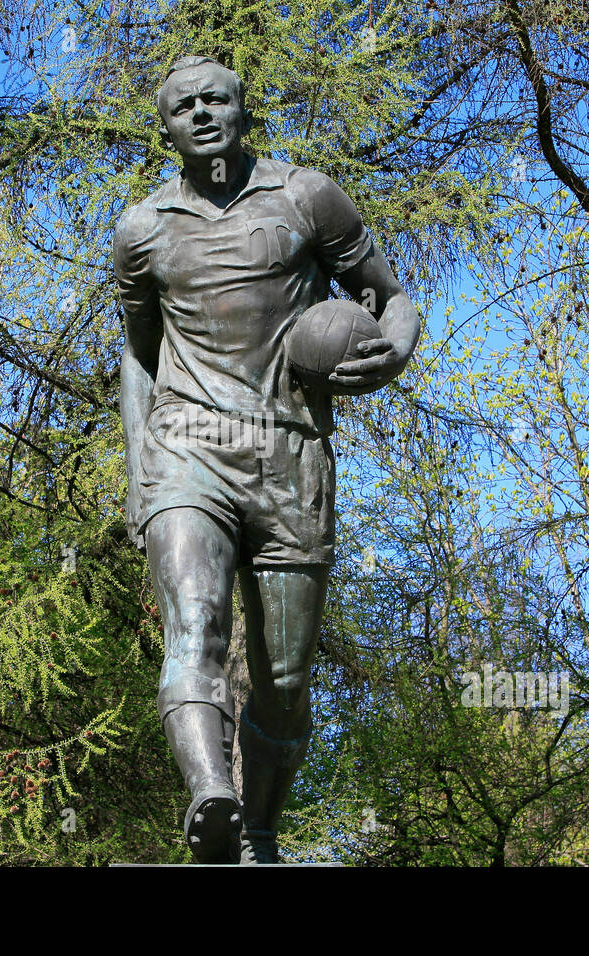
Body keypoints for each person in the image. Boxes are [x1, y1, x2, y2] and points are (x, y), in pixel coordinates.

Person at [113, 54, 419, 864]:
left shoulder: (305, 195)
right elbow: (139, 360)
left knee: (283, 681)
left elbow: (390, 297)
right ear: (168, 125)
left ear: (244, 109)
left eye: (217, 98)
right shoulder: (142, 229)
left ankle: (257, 833)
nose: (203, 113)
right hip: (188, 448)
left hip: (289, 454)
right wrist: (141, 474)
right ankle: (209, 790)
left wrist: (391, 354)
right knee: (195, 624)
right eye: (185, 106)